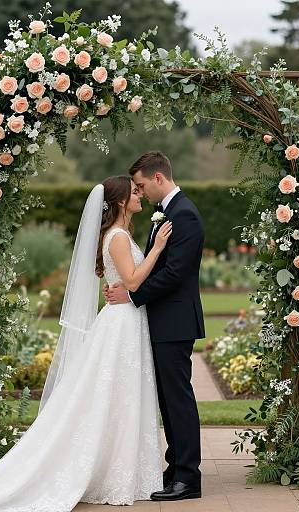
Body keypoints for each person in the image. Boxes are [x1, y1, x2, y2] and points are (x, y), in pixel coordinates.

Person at [0, 176, 172, 512]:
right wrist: (157, 248)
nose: (140, 195)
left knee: (121, 396)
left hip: (125, 320)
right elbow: (130, 280)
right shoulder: (117, 237)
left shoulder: (120, 234)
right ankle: (113, 474)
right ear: (118, 202)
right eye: (134, 192)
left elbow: (125, 282)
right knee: (116, 395)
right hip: (120, 324)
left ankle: (125, 471)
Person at [105, 151, 205, 502]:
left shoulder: (185, 216)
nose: (141, 191)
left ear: (159, 178)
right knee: (167, 398)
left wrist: (132, 297)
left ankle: (188, 477)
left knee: (178, 399)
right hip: (162, 322)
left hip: (175, 322)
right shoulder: (167, 214)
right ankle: (175, 466)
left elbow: (175, 274)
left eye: (143, 185)